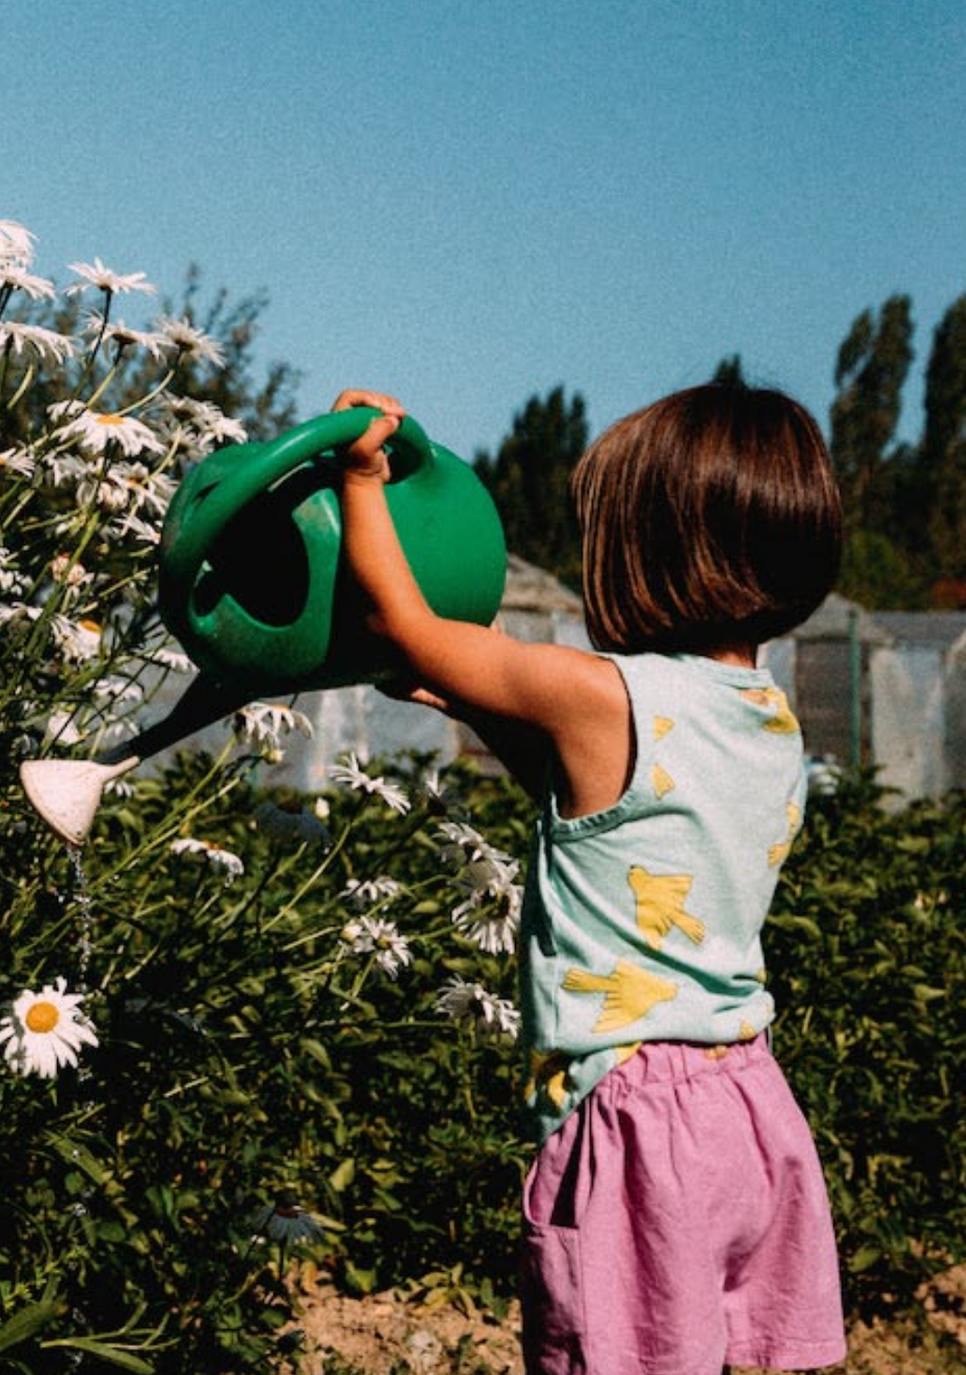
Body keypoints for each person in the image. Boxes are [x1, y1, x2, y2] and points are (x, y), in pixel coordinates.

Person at [334, 384, 848, 1374]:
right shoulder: (767, 719)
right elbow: (592, 803)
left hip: (635, 1113)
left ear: (650, 549)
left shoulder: (593, 692)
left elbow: (397, 622)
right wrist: (472, 700)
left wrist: (359, 476)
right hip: (746, 1103)